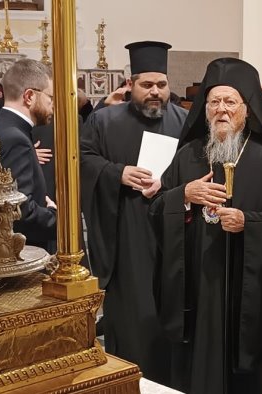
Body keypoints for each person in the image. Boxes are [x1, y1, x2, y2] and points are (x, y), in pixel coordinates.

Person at [148, 57, 262, 394]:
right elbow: (155, 209)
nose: (221, 110)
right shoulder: (188, 155)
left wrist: (249, 222)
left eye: (230, 102)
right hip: (196, 287)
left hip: (246, 291)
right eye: (214, 102)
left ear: (247, 109)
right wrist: (184, 195)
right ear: (204, 109)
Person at [80, 41, 188, 385]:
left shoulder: (186, 122)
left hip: (174, 236)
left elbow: (200, 167)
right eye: (146, 85)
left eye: (161, 84)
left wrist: (172, 185)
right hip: (125, 235)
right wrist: (117, 173)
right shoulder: (103, 121)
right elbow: (82, 160)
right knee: (132, 318)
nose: (155, 92)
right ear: (131, 84)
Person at [0, 59, 57, 251]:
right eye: (50, 97)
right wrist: (54, 216)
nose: (53, 105)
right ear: (29, 96)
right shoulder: (16, 138)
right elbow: (18, 209)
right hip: (22, 253)